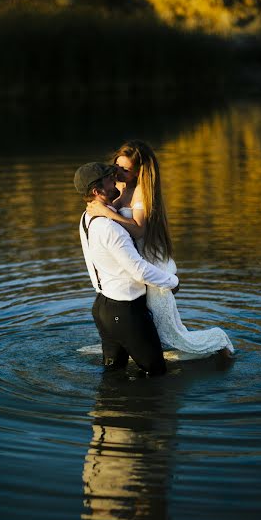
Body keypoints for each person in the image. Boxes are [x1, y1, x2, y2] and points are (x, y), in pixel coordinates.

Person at [86, 140, 234, 360]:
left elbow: (137, 231)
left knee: (172, 335)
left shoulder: (143, 193)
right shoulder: (120, 189)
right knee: (148, 332)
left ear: (139, 172)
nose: (117, 173)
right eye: (116, 167)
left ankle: (218, 340)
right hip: (137, 272)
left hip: (151, 270)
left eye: (125, 170)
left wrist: (106, 213)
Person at [74, 161, 180, 376]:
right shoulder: (111, 228)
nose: (115, 180)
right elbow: (139, 270)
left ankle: (111, 408)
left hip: (102, 308)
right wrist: (172, 282)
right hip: (126, 313)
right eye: (109, 179)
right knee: (157, 374)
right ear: (97, 191)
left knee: (114, 374)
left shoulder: (86, 218)